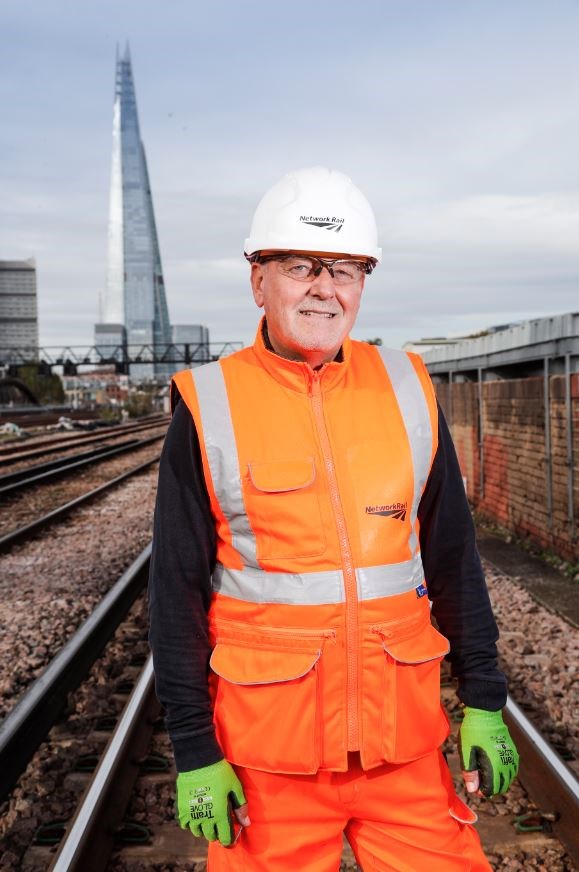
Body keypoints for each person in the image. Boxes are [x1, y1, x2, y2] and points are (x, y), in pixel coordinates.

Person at [149, 166, 519, 871]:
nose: (325, 288)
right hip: (269, 762)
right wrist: (193, 747)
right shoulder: (209, 405)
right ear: (258, 280)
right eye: (301, 266)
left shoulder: (407, 388)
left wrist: (483, 699)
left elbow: (451, 559)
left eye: (347, 269)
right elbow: (175, 591)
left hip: (402, 749)